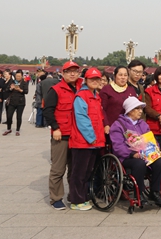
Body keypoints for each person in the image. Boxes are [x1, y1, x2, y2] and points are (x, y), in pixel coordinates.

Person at [110, 96, 161, 207]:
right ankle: (139, 193)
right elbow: (118, 146)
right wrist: (132, 154)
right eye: (137, 108)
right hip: (127, 157)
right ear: (130, 110)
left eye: (141, 108)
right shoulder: (118, 125)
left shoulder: (143, 124)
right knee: (139, 164)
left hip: (146, 155)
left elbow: (151, 140)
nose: (141, 111)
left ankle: (155, 191)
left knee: (160, 162)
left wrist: (155, 149)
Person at [43, 60, 83, 210]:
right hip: (61, 135)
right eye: (68, 71)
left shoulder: (82, 87)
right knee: (58, 169)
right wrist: (55, 128)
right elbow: (48, 110)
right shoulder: (56, 90)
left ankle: (74, 195)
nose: (72, 74)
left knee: (75, 169)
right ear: (63, 73)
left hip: (77, 135)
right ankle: (56, 198)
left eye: (75, 71)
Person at [68, 68, 105, 211]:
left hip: (94, 142)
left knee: (87, 172)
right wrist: (91, 137)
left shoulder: (96, 95)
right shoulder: (81, 96)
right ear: (86, 80)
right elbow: (82, 119)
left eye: (97, 79)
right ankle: (76, 200)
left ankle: (83, 197)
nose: (95, 82)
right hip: (83, 142)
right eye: (92, 79)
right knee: (79, 173)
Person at [100, 66, 140, 134]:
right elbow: (102, 109)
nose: (123, 77)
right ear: (115, 76)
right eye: (120, 75)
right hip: (112, 127)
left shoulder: (131, 90)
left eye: (125, 75)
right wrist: (106, 124)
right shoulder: (106, 89)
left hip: (128, 128)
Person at [2, 70, 28, 136]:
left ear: (22, 76)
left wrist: (19, 89)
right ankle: (8, 129)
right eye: (16, 76)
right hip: (12, 101)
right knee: (9, 115)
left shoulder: (24, 83)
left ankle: (17, 130)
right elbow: (7, 90)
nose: (17, 77)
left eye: (19, 76)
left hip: (20, 102)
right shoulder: (12, 82)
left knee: (19, 117)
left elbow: (26, 91)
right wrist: (11, 88)